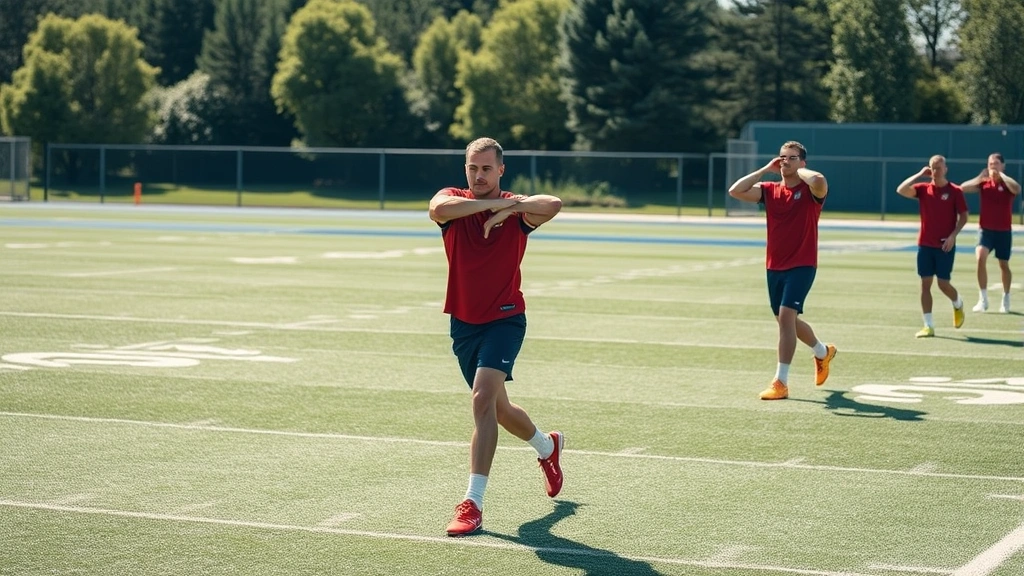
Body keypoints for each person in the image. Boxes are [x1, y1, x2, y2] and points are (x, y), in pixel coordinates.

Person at [428, 137, 564, 537]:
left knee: (482, 399)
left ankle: (473, 502)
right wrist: (493, 206)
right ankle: (547, 447)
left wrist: (512, 205)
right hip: (463, 322)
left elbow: (553, 204)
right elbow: (437, 208)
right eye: (473, 167)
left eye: (487, 168)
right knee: (498, 410)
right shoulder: (454, 202)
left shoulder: (517, 209)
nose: (479, 175)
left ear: (501, 170)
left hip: (505, 318)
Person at [727, 141, 837, 401]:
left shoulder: (812, 191)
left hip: (802, 264)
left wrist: (795, 170)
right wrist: (766, 169)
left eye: (791, 157)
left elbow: (819, 179)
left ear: (802, 162)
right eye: (781, 157)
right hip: (774, 265)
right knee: (786, 320)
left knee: (786, 317)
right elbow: (735, 190)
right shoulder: (769, 191)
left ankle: (781, 382)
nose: (784, 161)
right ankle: (823, 352)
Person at [896, 155, 969, 338]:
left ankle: (957, 302)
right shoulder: (923, 189)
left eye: (939, 168)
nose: (936, 171)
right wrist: (920, 174)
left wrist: (953, 236)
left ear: (946, 169)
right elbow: (901, 190)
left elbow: (964, 216)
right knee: (925, 284)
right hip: (925, 245)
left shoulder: (955, 191)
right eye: (933, 168)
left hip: (945, 245)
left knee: (943, 284)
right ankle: (928, 325)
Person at [960, 153, 1020, 313]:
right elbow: (962, 188)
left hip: (1003, 232)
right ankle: (983, 298)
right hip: (985, 230)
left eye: (996, 163)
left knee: (1003, 265)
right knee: (980, 257)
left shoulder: (1008, 185)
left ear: (1003, 165)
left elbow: (1017, 188)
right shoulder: (984, 184)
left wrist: (1002, 175)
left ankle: (1006, 297)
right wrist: (979, 178)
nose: (993, 166)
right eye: (990, 164)